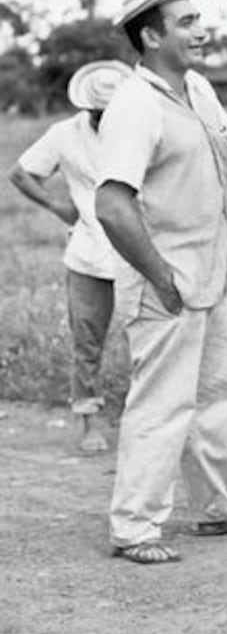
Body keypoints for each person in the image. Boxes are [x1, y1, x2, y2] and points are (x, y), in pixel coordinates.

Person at [95, 0, 227, 564]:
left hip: (208, 275)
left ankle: (219, 507)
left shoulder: (197, 90)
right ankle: (134, 526)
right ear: (152, 34)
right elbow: (112, 204)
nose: (201, 30)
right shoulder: (135, 104)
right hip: (166, 280)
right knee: (162, 404)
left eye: (197, 18)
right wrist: (160, 276)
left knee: (213, 396)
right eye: (186, 22)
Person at [9, 59, 132, 454]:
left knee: (149, 339)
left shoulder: (140, 132)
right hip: (88, 254)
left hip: (139, 252)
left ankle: (145, 421)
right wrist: (59, 207)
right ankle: (89, 421)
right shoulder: (64, 134)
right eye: (102, 111)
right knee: (87, 341)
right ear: (90, 108)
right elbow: (22, 173)